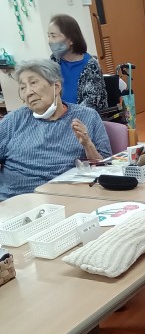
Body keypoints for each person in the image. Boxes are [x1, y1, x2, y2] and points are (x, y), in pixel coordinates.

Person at [0, 59, 111, 200]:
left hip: (62, 198)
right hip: (11, 200)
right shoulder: (14, 120)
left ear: (56, 87)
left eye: (33, 83)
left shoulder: (87, 116)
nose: (28, 93)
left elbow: (105, 168)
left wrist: (87, 144)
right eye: (22, 88)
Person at [48, 14, 108, 111]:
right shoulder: (54, 61)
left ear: (71, 39)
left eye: (53, 36)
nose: (50, 41)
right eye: (49, 36)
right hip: (58, 115)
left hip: (83, 117)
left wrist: (65, 115)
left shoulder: (91, 65)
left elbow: (91, 103)